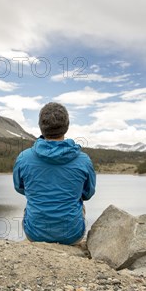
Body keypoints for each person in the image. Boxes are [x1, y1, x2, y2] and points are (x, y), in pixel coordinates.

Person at [13, 102, 96, 245]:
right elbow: (88, 194)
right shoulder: (84, 160)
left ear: (40, 125)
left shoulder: (23, 158)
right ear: (67, 125)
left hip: (35, 234)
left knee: (31, 203)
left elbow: (20, 187)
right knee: (80, 205)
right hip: (72, 236)